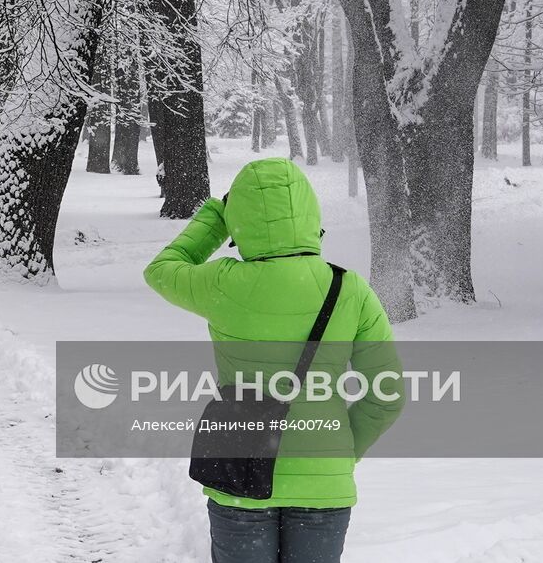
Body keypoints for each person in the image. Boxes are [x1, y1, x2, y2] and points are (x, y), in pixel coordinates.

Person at [144, 157, 403, 563]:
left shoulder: (223, 283)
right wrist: (339, 451)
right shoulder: (349, 289)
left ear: (239, 220)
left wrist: (216, 216)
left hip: (239, 471)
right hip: (323, 486)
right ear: (309, 213)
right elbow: (388, 396)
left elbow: (161, 270)